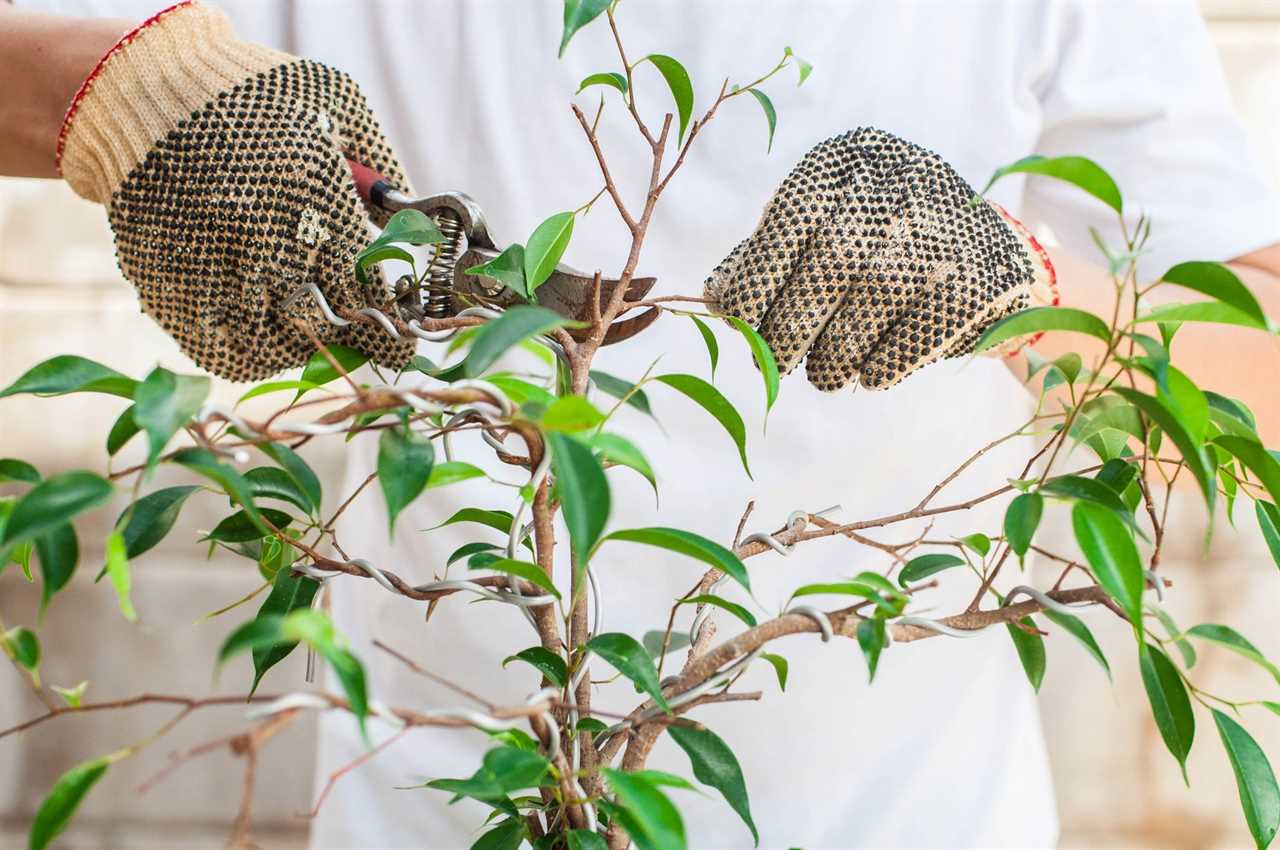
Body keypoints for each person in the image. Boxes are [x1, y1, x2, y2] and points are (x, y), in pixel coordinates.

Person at [3, 1, 1279, 847]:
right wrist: (126, 90)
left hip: (910, 817)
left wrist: (1030, 289)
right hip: (444, 814)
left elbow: (1257, 392)